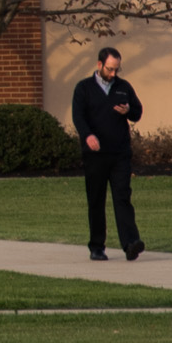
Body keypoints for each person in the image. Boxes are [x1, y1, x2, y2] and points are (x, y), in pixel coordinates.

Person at [70, 45, 144, 261]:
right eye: (110, 69)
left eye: (116, 70)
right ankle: (96, 246)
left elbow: (138, 112)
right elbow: (78, 116)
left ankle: (131, 243)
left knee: (123, 197)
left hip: (120, 153)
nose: (113, 74)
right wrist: (88, 136)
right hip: (95, 155)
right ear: (99, 65)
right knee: (96, 199)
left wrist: (129, 111)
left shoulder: (123, 87)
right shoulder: (83, 88)